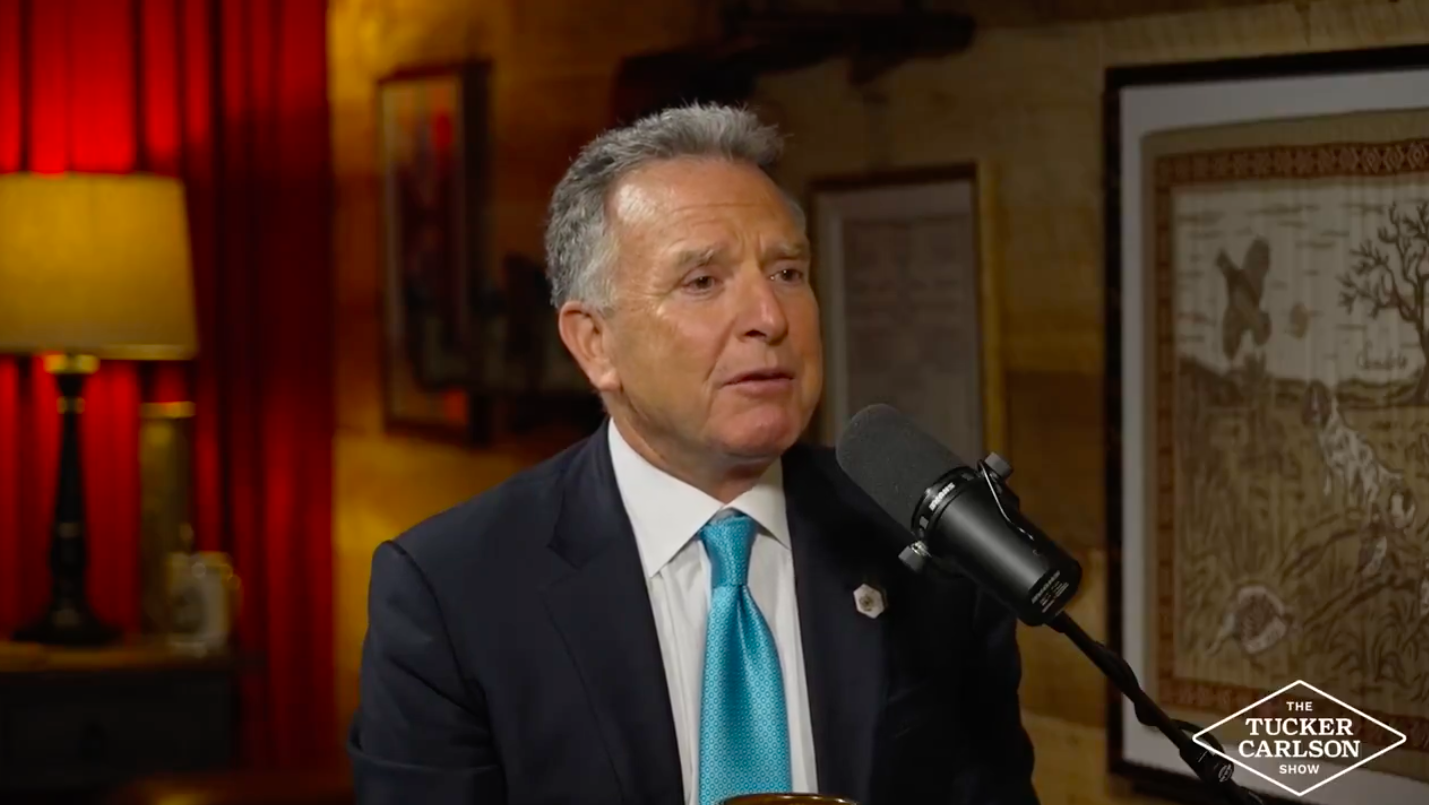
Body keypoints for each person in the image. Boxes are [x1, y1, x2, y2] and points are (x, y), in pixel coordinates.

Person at [348, 103, 1039, 805]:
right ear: (594, 343)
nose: (769, 318)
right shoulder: (451, 592)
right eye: (702, 281)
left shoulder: (930, 546)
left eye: (788, 272)